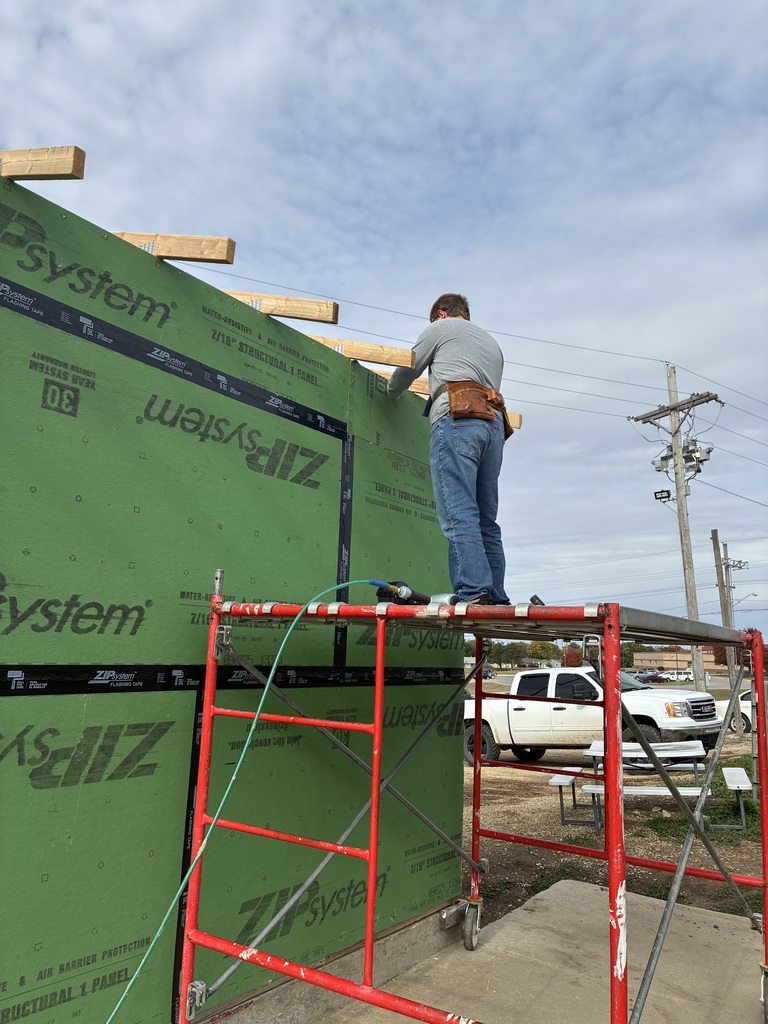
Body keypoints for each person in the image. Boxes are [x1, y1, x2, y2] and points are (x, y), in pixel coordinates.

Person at [387, 293, 510, 605]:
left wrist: (391, 392)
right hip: (494, 424)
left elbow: (408, 368)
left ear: (440, 314)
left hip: (458, 418)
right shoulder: (491, 343)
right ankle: (495, 596)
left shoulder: (440, 329)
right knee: (486, 517)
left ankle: (474, 592)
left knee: (458, 511)